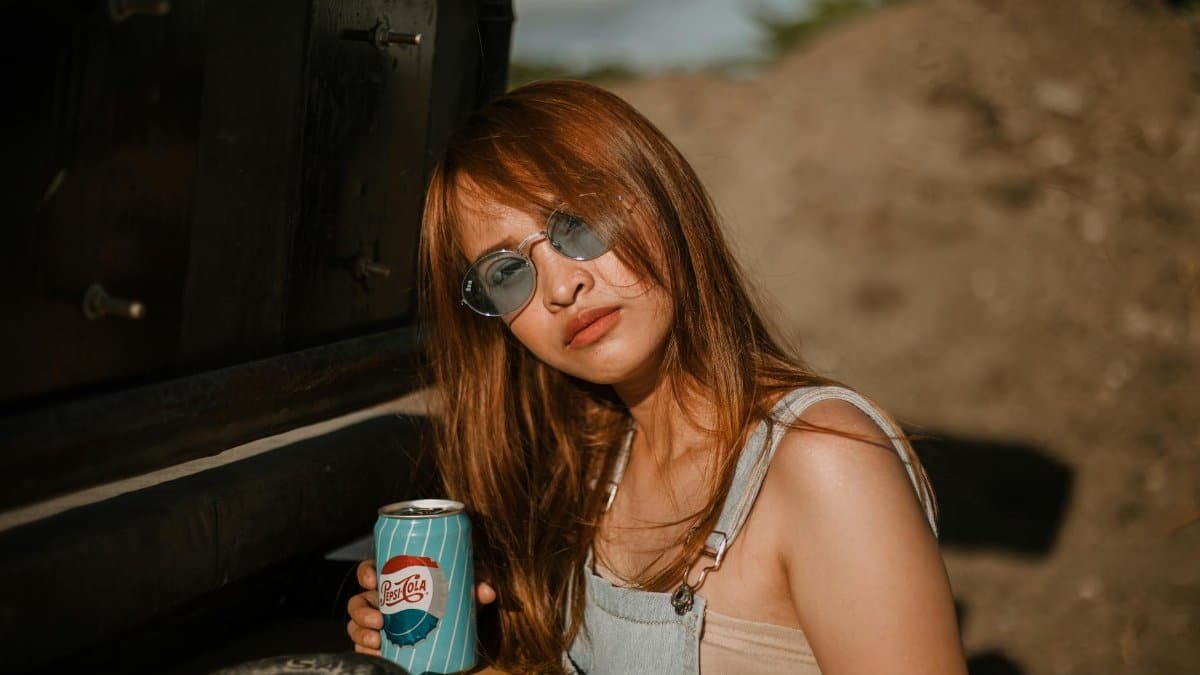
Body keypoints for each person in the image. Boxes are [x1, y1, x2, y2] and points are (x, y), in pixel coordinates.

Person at [346, 80, 966, 674]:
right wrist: (467, 632)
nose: (562, 286)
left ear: (661, 197)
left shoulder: (820, 460)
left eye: (580, 226)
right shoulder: (595, 466)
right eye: (507, 273)